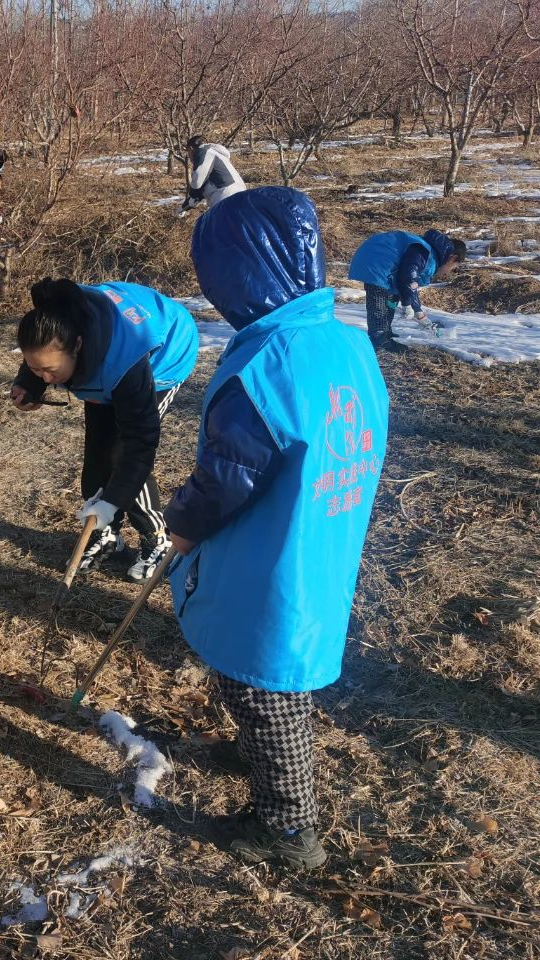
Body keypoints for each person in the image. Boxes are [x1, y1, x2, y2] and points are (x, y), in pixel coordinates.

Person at [164, 186, 390, 870]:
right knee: (266, 679)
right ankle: (258, 753)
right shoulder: (346, 341)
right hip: (321, 538)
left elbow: (227, 476)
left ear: (241, 274)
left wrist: (182, 523)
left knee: (266, 686)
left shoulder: (266, 367)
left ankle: (290, 830)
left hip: (272, 563)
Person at [11, 279, 199, 581]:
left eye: (50, 372)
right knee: (98, 450)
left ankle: (157, 537)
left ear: (77, 346)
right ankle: (106, 534)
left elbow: (140, 445)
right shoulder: (55, 320)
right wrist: (28, 383)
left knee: (121, 453)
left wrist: (111, 502)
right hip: (101, 358)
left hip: (165, 354)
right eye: (37, 369)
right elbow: (42, 353)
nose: (45, 378)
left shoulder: (126, 364)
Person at [347, 228, 466, 351]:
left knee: (391, 298)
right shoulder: (424, 252)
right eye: (453, 267)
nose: (450, 271)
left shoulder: (429, 254)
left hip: (383, 265)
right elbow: (409, 278)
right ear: (452, 258)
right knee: (379, 300)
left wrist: (415, 308)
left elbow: (407, 284)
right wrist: (411, 306)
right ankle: (379, 340)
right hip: (378, 264)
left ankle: (385, 333)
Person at [181, 135, 245, 213]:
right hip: (240, 192)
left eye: (188, 153)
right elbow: (206, 182)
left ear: (191, 149)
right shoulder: (216, 154)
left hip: (225, 196)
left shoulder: (202, 152)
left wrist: (193, 194)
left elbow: (198, 179)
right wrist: (195, 198)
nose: (190, 157)